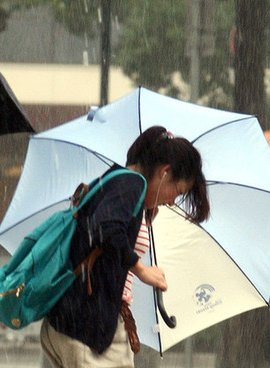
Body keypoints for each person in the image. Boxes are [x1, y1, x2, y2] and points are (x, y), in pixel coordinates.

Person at [40, 126, 210, 368]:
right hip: (90, 326)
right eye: (178, 191)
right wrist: (142, 269)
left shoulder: (118, 184)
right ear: (165, 172)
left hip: (74, 321)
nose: (173, 201)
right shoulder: (130, 184)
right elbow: (105, 227)